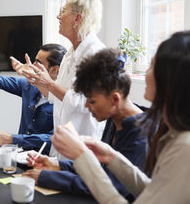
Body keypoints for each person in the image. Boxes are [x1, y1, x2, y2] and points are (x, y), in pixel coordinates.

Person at [52, 31, 190, 203]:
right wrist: (112, 157)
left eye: (152, 66)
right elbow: (153, 190)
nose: (146, 73)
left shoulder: (185, 148)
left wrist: (82, 157)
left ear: (171, 80)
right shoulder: (173, 135)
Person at [23, 48, 147, 201]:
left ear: (115, 99)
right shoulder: (114, 119)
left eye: (92, 100)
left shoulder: (140, 134)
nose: (87, 106)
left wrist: (50, 177)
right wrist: (60, 166)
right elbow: (101, 169)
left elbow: (111, 186)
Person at [22, 0, 106, 159]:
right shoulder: (70, 53)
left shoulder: (96, 54)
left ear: (78, 18)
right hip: (62, 145)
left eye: (63, 11)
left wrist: (49, 82)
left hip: (82, 148)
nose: (58, 17)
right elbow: (54, 96)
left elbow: (84, 102)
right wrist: (36, 79)